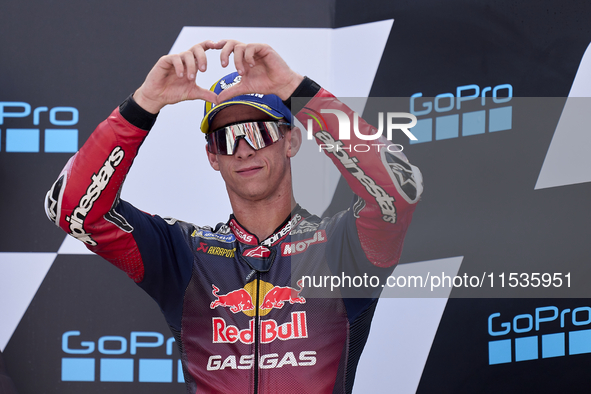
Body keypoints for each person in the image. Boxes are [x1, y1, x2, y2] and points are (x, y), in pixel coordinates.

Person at [45, 40, 422, 393]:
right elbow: (72, 209)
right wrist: (143, 104)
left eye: (258, 132)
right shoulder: (184, 255)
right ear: (212, 156)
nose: (242, 150)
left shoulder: (341, 248)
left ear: (290, 140)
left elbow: (399, 189)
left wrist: (297, 89)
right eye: (226, 138)